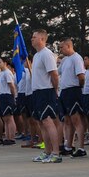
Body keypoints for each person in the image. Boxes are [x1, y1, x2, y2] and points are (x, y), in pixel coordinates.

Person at [29, 29, 62, 163]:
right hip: (37, 92)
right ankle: (47, 151)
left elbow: (54, 74)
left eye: (34, 36)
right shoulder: (37, 55)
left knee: (48, 122)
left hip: (46, 91)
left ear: (42, 39)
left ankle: (56, 153)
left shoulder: (47, 54)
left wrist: (54, 90)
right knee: (41, 123)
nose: (31, 39)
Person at [58, 39, 87, 157]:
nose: (60, 50)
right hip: (64, 91)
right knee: (67, 120)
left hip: (73, 90)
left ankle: (81, 147)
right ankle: (68, 146)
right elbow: (57, 72)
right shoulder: (65, 60)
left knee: (76, 119)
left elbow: (81, 76)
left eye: (62, 47)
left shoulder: (76, 58)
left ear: (69, 46)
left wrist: (78, 88)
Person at [0, 57, 17, 145]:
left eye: (0, 62)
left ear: (5, 63)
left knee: (9, 118)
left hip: (7, 95)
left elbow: (11, 86)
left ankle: (11, 138)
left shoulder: (7, 73)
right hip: (2, 96)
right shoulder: (1, 73)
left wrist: (13, 96)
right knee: (5, 118)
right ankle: (7, 137)